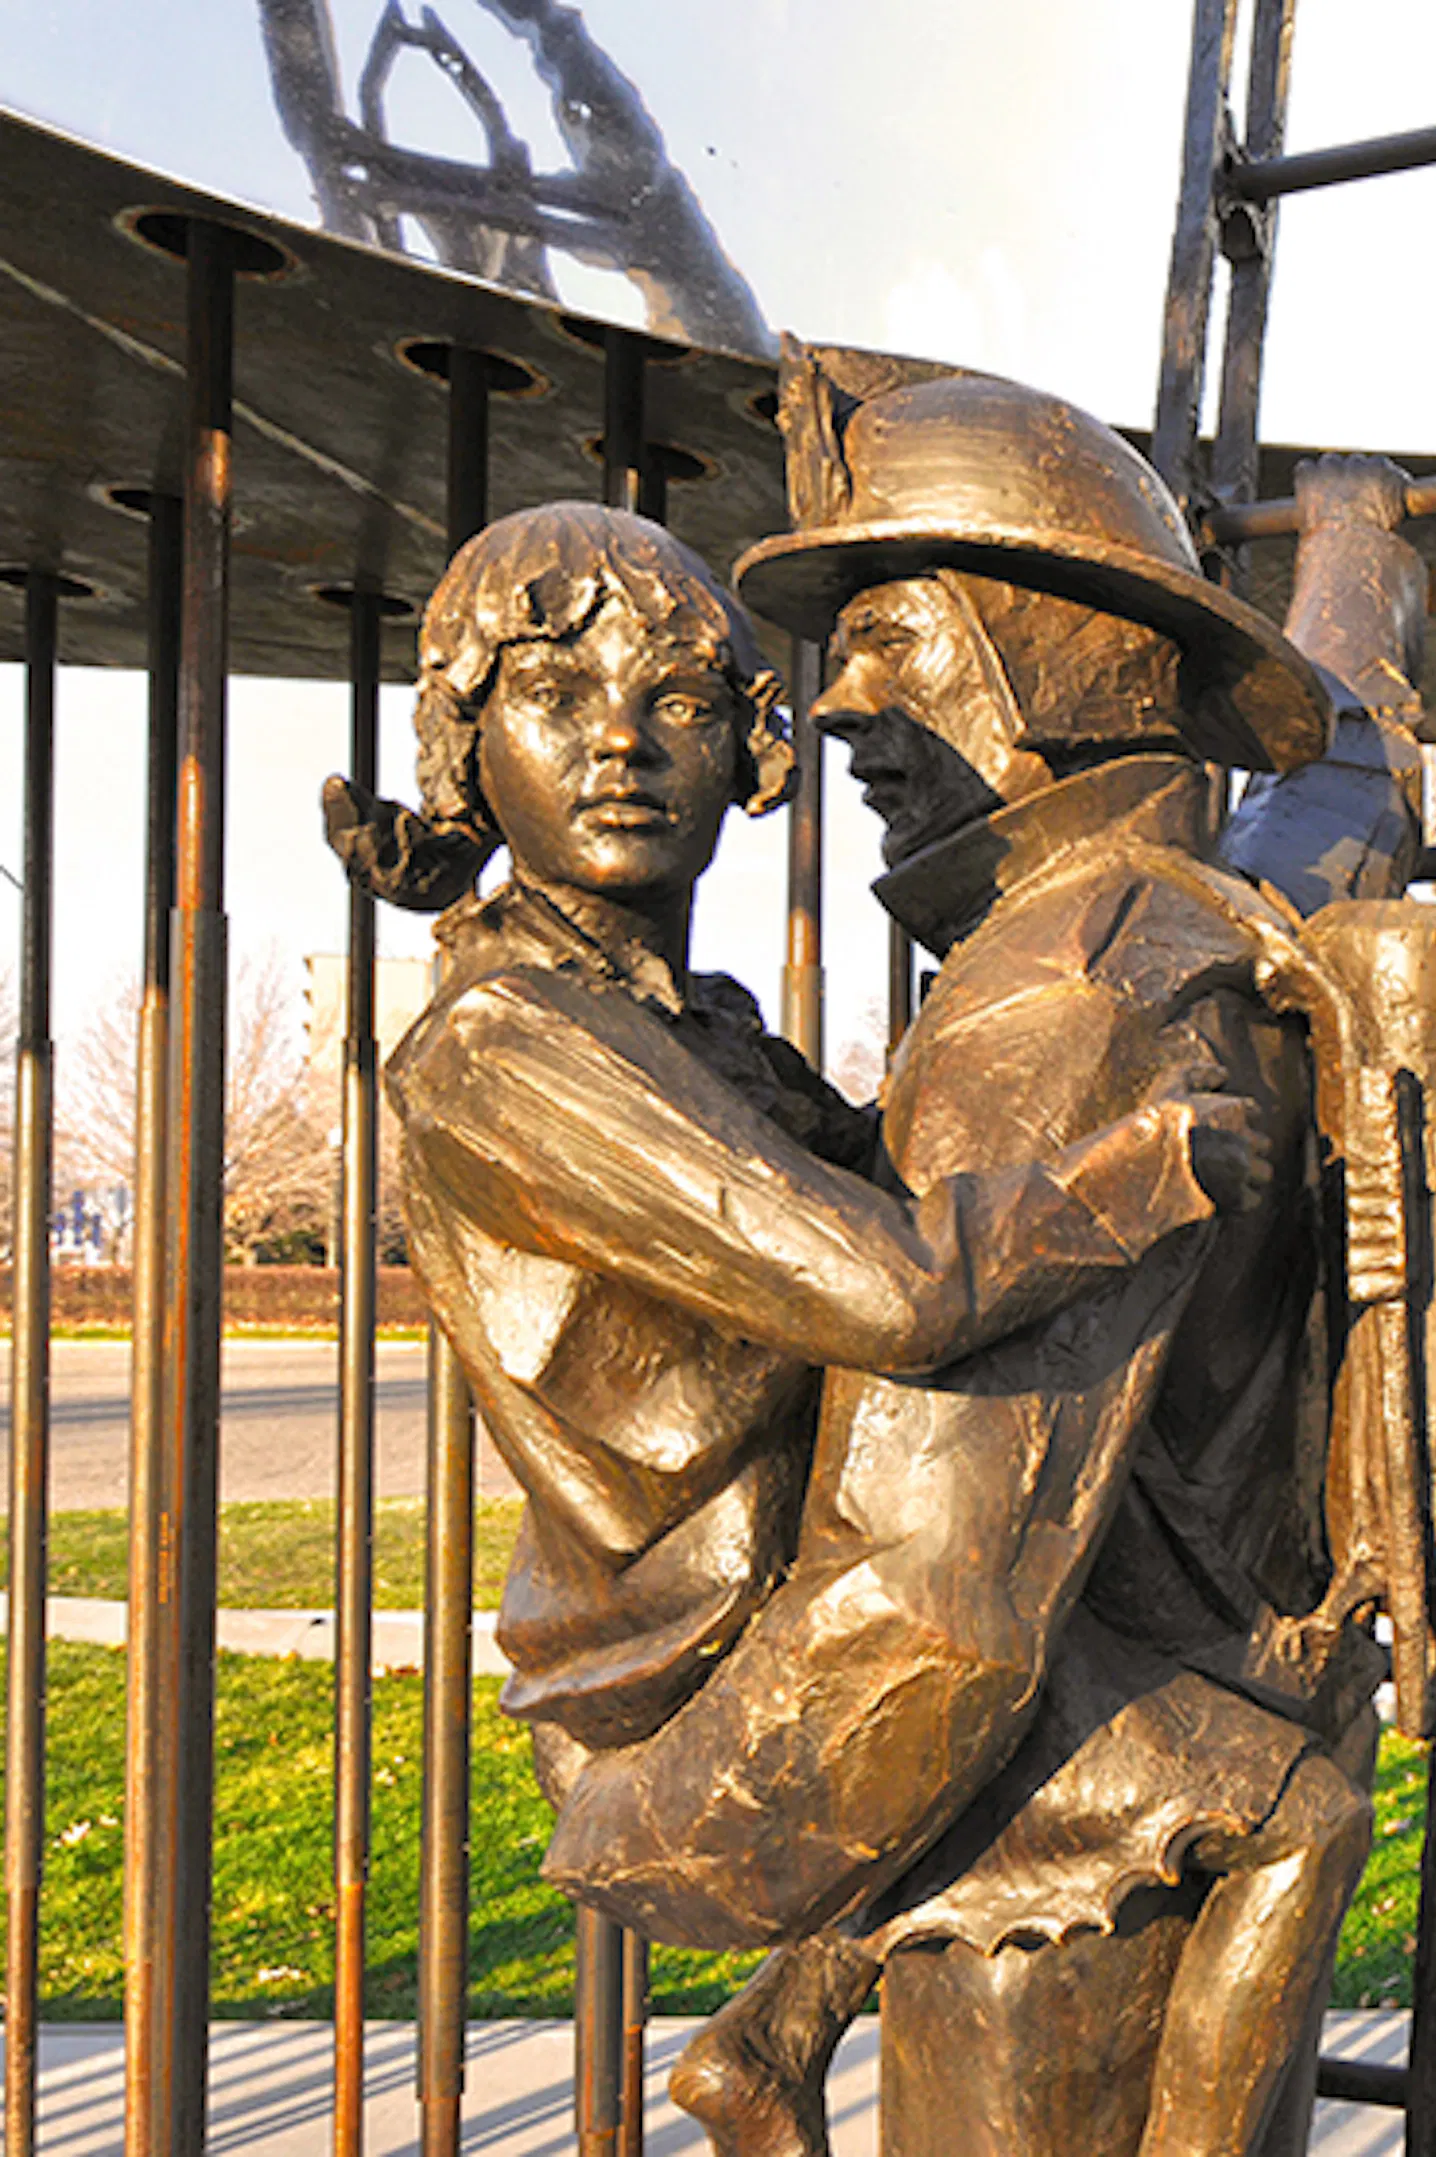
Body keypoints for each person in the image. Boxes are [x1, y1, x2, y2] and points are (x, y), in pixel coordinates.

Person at [543, 343, 1436, 2156]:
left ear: (1061, 653)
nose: (838, 707)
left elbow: (929, 1606)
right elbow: (1348, 776)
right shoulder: (1214, 916)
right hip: (1217, 1752)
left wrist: (683, 1830)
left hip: (1031, 1884)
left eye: (894, 633)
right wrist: (1356, 553)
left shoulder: (1053, 1005)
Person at [334, 500, 1274, 2156]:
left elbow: (914, 1173)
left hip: (814, 1622)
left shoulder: (697, 1033)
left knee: (1221, 1736)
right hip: (699, 1716)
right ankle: (776, 2023)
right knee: (1287, 1821)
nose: (622, 749)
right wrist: (1143, 1173)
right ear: (469, 752)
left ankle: (770, 2041)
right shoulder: (507, 1047)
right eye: (556, 700)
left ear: (750, 762)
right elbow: (893, 1286)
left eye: (683, 707)